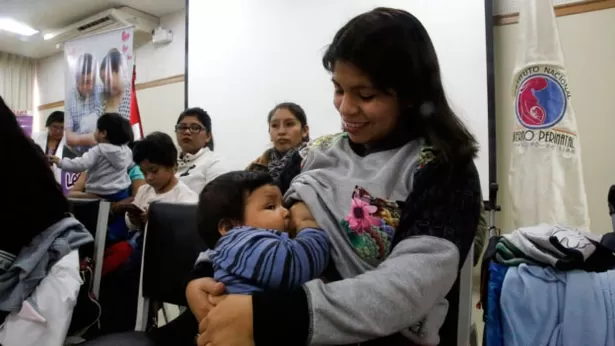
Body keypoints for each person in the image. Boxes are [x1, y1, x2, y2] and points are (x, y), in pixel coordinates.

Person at [190, 8, 482, 346]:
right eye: (339, 89)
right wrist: (203, 276)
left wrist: (269, 317)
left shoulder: (442, 168)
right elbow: (244, 220)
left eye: (366, 95)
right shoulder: (313, 154)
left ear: (411, 93)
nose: (344, 108)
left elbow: (411, 286)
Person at [0, 95, 94, 346]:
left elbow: (77, 180)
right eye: (53, 126)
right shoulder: (39, 147)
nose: (57, 131)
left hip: (40, 244)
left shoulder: (83, 152)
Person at [196, 171, 328, 294]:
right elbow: (295, 265)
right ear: (229, 228)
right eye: (271, 207)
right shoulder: (240, 242)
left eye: (283, 205)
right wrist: (308, 225)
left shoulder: (230, 251)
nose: (286, 212)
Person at [50, 112, 133, 202]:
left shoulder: (98, 150)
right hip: (121, 193)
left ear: (103, 133)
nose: (94, 132)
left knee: (97, 215)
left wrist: (60, 162)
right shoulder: (126, 150)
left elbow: (80, 164)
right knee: (117, 215)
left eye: (96, 129)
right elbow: (130, 165)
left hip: (98, 194)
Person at [126, 132, 198, 230]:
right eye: (144, 172)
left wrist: (158, 221)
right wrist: (133, 220)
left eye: (154, 171)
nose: (148, 178)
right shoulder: (143, 191)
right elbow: (131, 226)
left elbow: (184, 234)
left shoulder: (186, 200)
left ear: (173, 166)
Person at [247, 102, 310, 180]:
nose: (281, 131)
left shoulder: (315, 162)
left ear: (304, 131)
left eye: (289, 124)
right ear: (269, 132)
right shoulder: (254, 168)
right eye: (274, 125)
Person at [175, 108, 228, 194]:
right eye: (182, 127)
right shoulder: (169, 163)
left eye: (195, 128)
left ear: (208, 136)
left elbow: (218, 201)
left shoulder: (215, 162)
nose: (187, 132)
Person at [64, 53, 104, 151]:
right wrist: (93, 137)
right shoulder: (69, 98)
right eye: (85, 82)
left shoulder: (102, 91)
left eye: (92, 80)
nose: (90, 86)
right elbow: (69, 139)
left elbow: (106, 135)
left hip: (100, 154)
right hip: (76, 155)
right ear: (76, 79)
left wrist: (78, 138)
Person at [32, 111, 65, 182]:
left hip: (59, 180)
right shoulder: (35, 137)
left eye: (62, 127)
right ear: (48, 125)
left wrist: (59, 161)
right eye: (55, 127)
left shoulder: (69, 143)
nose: (58, 131)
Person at [100, 48, 131, 120]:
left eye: (108, 81)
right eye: (104, 82)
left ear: (119, 72)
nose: (107, 86)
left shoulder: (131, 95)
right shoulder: (104, 98)